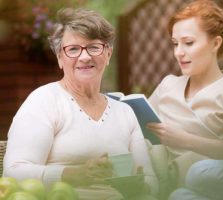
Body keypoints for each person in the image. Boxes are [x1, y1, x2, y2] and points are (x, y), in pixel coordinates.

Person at [3, 8, 158, 200]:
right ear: (60, 58)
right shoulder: (44, 100)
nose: (84, 57)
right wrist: (74, 175)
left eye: (94, 47)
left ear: (108, 54)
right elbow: (14, 172)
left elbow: (150, 179)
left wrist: (139, 184)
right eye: (73, 49)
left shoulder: (124, 112)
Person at [146, 0, 223, 198]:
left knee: (199, 173)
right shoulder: (168, 85)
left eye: (188, 43)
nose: (179, 52)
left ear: (215, 43)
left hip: (221, 180)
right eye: (175, 44)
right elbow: (137, 128)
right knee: (179, 196)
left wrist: (187, 141)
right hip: (186, 189)